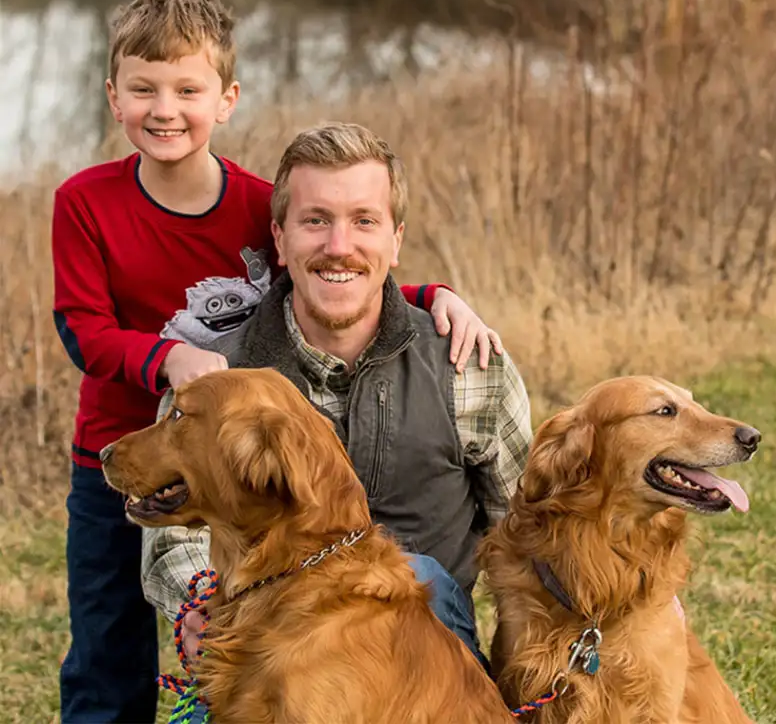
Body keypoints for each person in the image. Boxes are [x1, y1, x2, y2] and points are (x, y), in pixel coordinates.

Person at [52, 0, 502, 724]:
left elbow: (334, 264)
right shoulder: (84, 201)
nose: (165, 110)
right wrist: (167, 362)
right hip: (123, 438)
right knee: (107, 647)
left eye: (187, 90)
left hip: (216, 433)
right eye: (143, 89)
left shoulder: (255, 204)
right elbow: (82, 328)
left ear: (226, 99)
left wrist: (432, 296)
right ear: (113, 95)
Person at [141, 122, 533, 693]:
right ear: (280, 239)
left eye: (364, 221)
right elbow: (171, 537)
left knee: (417, 572)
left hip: (424, 677)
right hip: (264, 657)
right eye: (316, 220)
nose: (339, 246)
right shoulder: (214, 374)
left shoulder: (467, 364)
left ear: (396, 240)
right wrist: (200, 599)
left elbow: (525, 534)